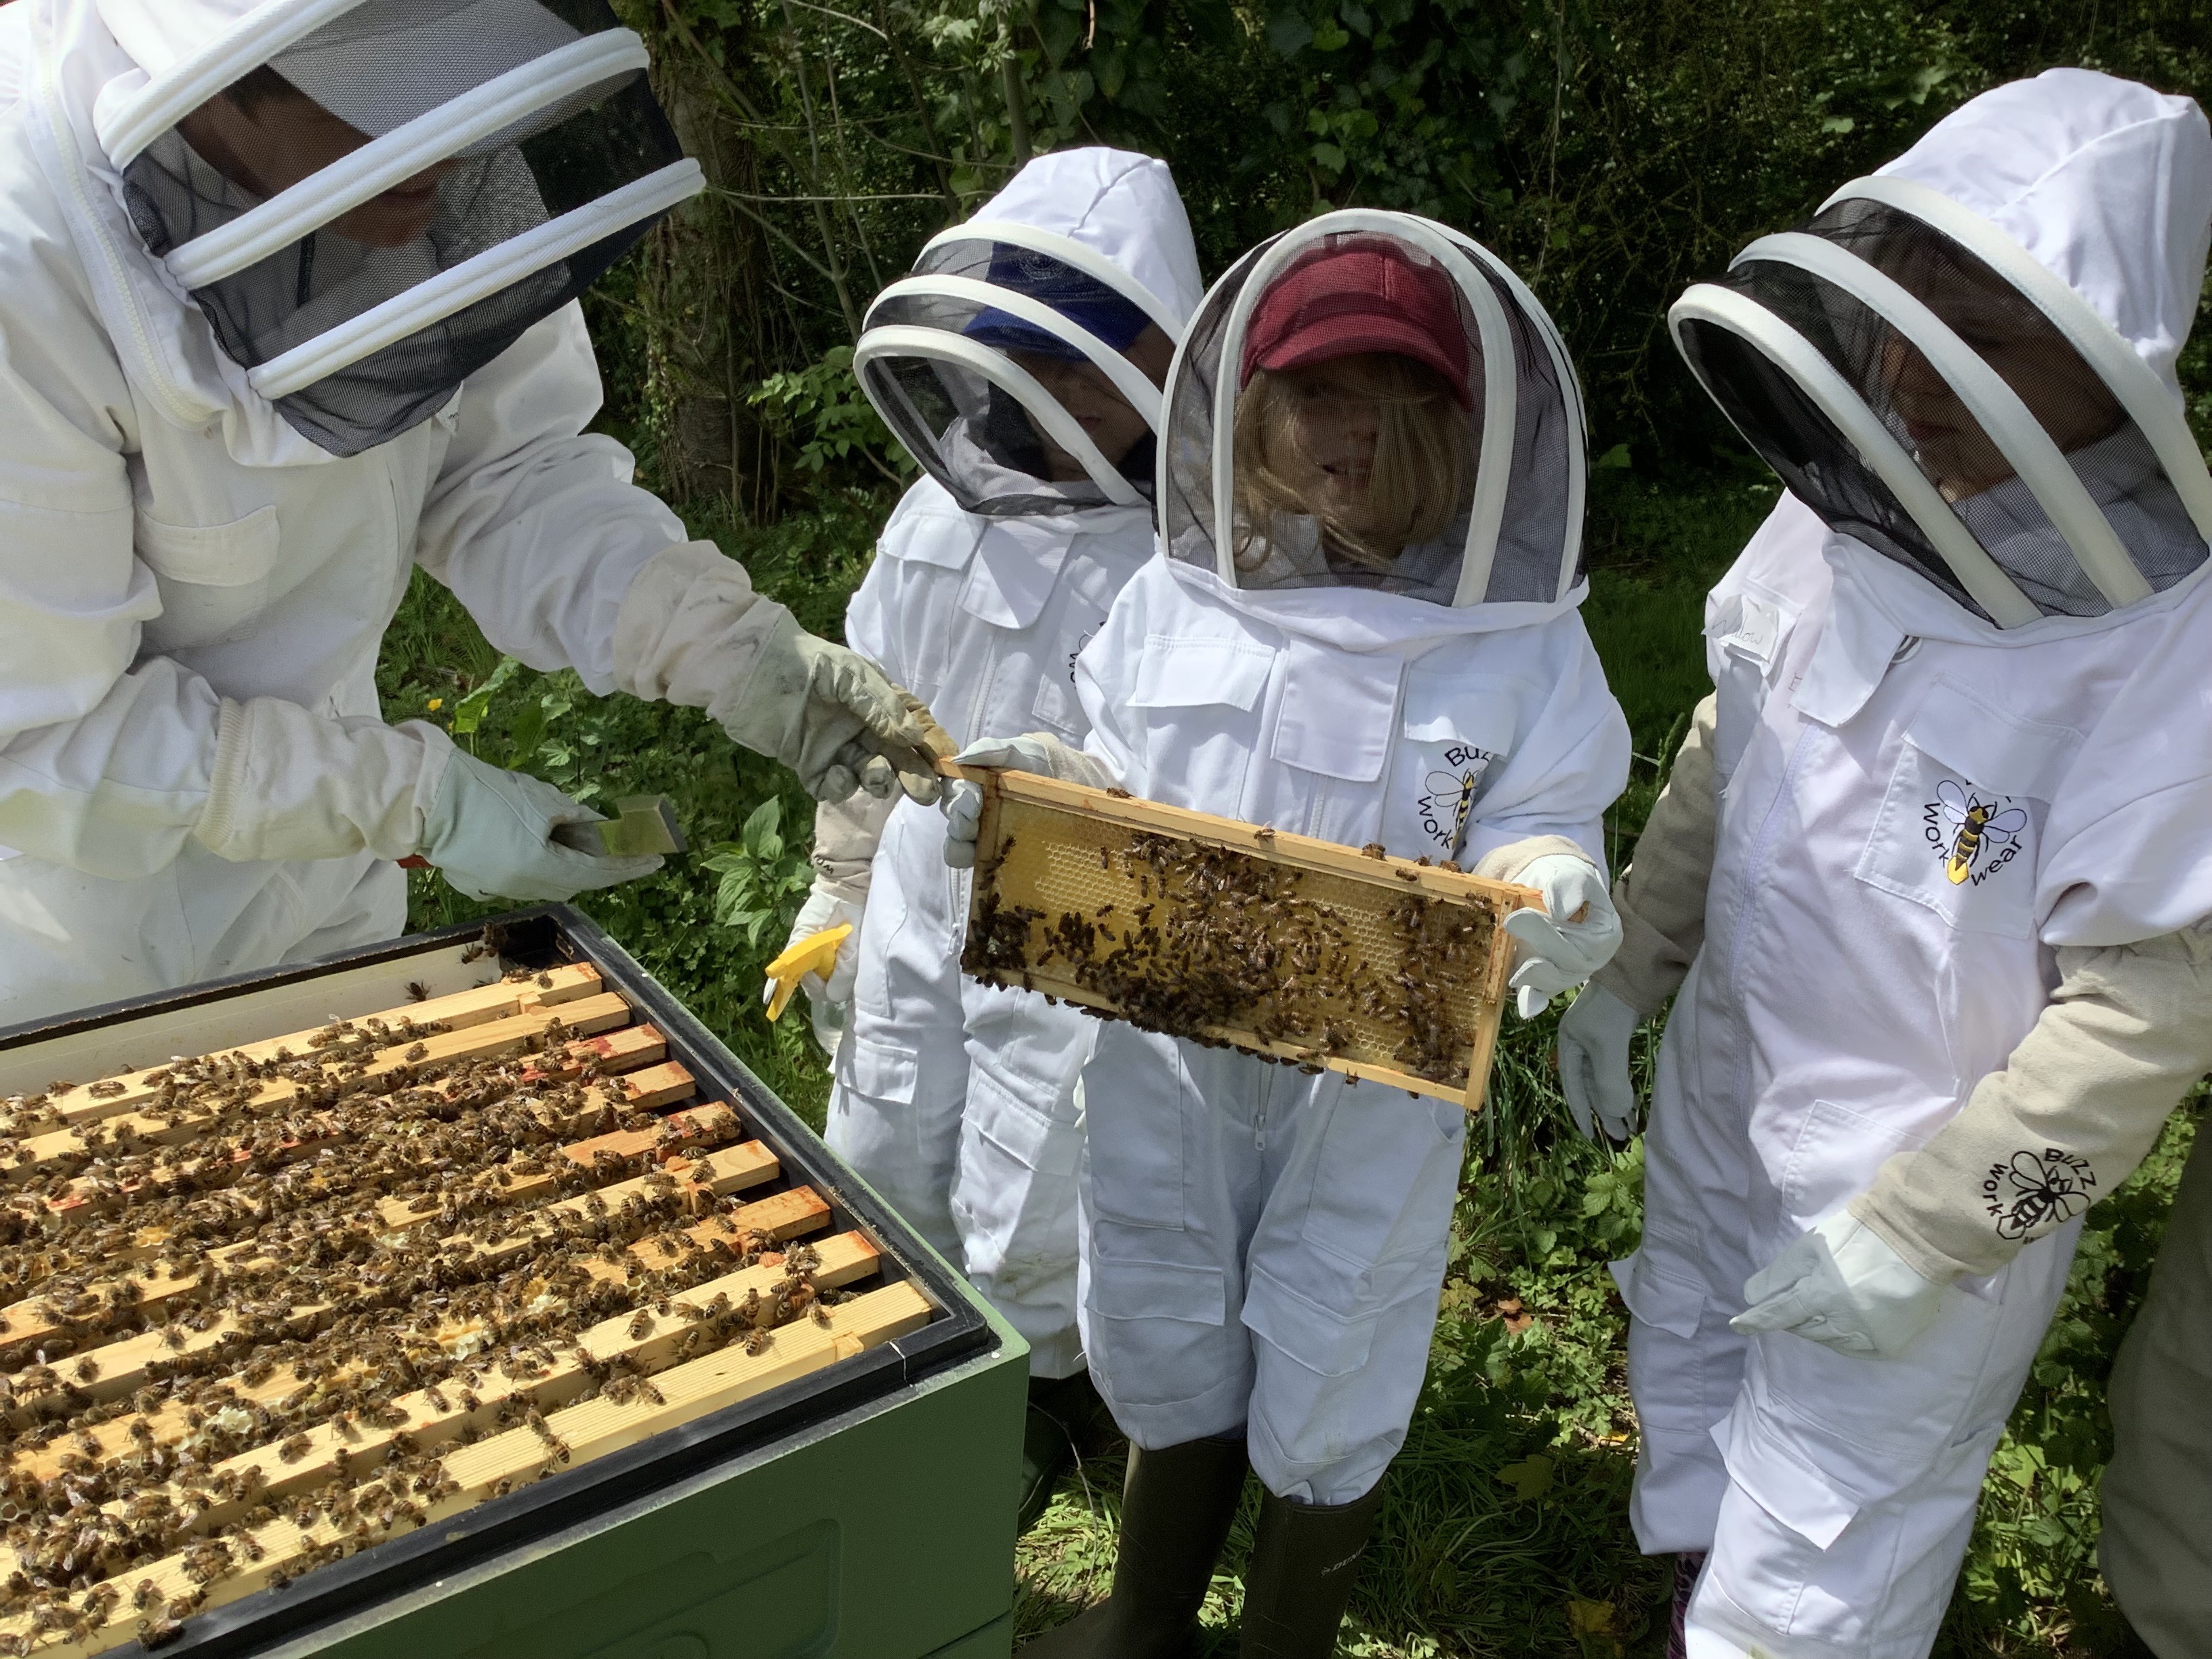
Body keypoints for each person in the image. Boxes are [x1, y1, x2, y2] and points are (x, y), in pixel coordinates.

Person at [1553, 69, 2212, 1659]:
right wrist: (1634, 967)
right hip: (1730, 1081)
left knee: (1839, 1537)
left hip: (1923, 1165)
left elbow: (2157, 1015)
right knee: (1692, 1372)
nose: (1922, 373)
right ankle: (1690, 1598)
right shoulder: (1832, 515)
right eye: (1908, 314)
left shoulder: (2170, 653)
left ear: (2118, 373)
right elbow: (1737, 737)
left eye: (1996, 334)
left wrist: (1943, 1223)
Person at [947, 213, 1632, 1656]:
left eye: (1386, 396)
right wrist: (1042, 797)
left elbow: (1545, 807)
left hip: (1374, 1084)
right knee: (1159, 1293)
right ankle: (1143, 1621)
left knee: (1344, 1334)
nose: (1344, 430)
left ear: (1456, 420)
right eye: (1314, 392)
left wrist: (1552, 878)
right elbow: (1115, 777)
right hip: (1175, 1048)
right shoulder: (1182, 600)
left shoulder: (1520, 644)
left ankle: (1288, 1643)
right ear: (1255, 413)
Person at [0, 0, 941, 1030]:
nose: (436, 140)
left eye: (456, 70)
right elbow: (43, 738)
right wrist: (412, 796)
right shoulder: (28, 259)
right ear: (218, 84)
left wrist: (736, 652)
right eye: (375, 98)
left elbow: (510, 470)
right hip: (73, 931)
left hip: (323, 891)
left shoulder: (429, 162)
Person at [773, 146, 1204, 1529]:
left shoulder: (1191, 564)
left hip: (1080, 931)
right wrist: (835, 891)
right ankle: (905, 1362)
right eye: (1045, 357)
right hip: (915, 887)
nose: (1068, 394)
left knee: (1039, 1175)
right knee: (890, 1125)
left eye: (1100, 361)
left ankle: (1041, 1395)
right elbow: (870, 718)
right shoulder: (926, 521)